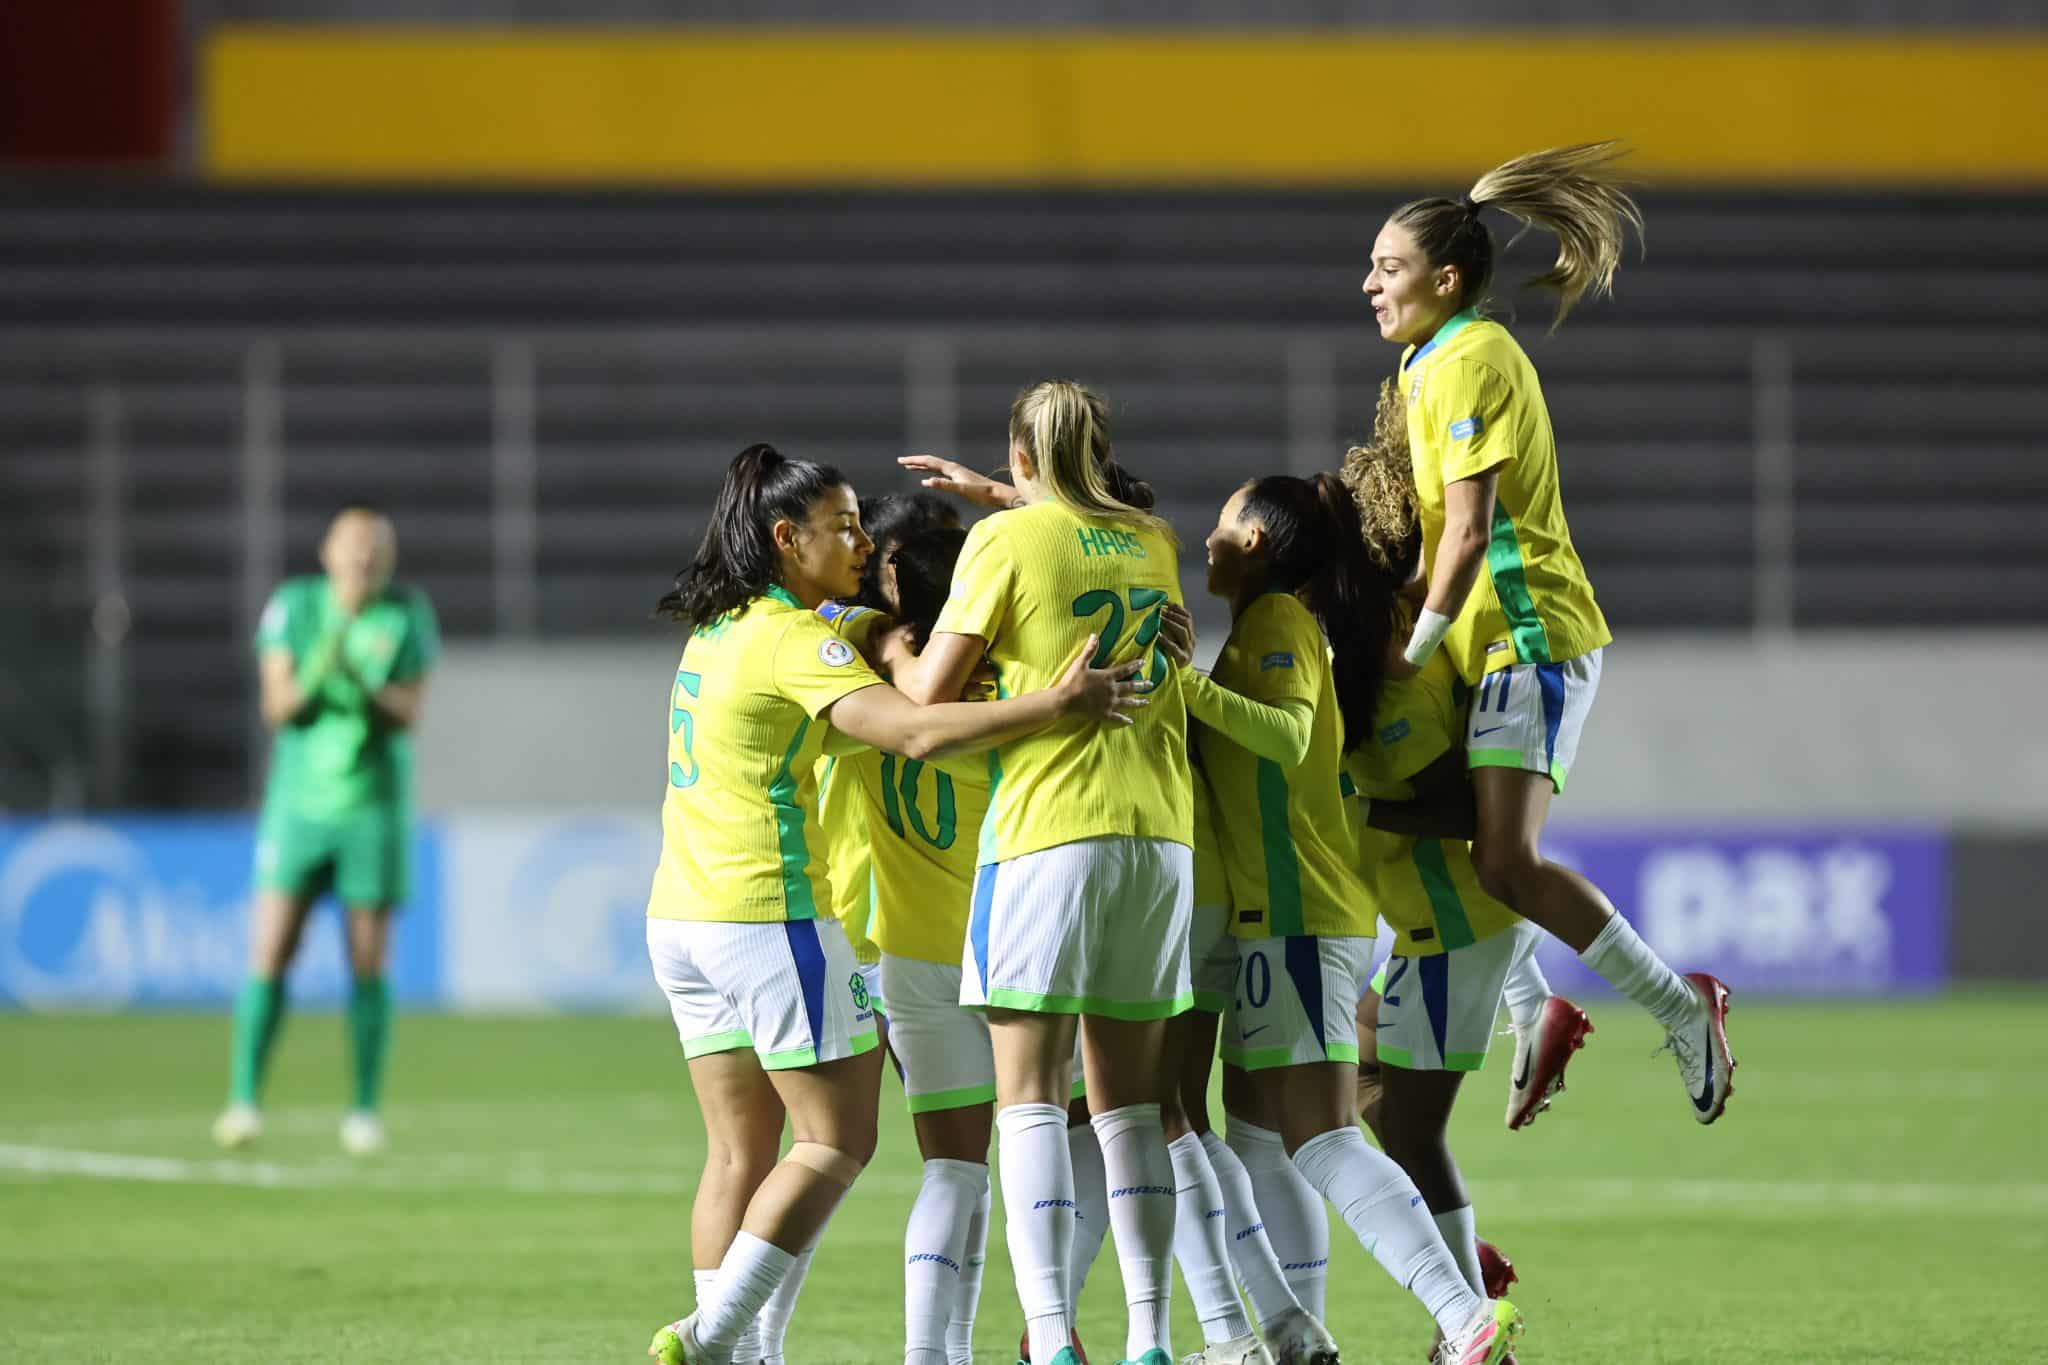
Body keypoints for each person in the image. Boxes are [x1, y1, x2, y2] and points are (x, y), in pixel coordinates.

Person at [644, 443, 1147, 1365]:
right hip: (773, 913)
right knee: (836, 1141)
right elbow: (916, 726)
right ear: (785, 537)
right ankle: (717, 1340)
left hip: (682, 912)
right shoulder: (803, 641)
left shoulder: (717, 630)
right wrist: (1056, 701)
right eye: (842, 526)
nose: (860, 539)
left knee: (737, 1156)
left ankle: (742, 1351)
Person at [1363, 141, 1734, 1123]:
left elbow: (1473, 528)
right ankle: (1534, 1011)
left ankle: (1678, 1007)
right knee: (1418, 823)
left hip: (1528, 636)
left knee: (1502, 860)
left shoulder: (1474, 357)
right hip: (1472, 646)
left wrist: (1409, 643)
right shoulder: (1423, 361)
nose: (1368, 284)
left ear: (1445, 280)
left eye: (1387, 268)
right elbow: (1437, 531)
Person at [1186, 473, 1524, 1365]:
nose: (1208, 538)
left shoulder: (1279, 626)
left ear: (1257, 540)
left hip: (1296, 911)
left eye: (1224, 522)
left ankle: (1464, 1315)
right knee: (1259, 1133)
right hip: (1283, 913)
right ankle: (1302, 1338)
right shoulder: (1271, 626)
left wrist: (1185, 690)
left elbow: (1288, 733)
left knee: (1326, 1134)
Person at [890, 381, 1193, 1365]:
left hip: (1046, 832)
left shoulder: (1003, 544)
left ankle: (1055, 1339)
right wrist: (1008, 493)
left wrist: (887, 645)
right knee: (1127, 1105)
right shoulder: (1152, 539)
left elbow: (930, 704)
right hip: (1157, 832)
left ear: (1019, 457)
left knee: (1025, 1097)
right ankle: (1150, 1336)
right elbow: (1101, 559)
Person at [1343, 383, 1592, 1132]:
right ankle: (1536, 1003)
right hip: (1438, 915)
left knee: (1391, 1123)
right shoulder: (1434, 641)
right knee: (1371, 1098)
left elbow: (1461, 808)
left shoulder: (1396, 670)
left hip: (1447, 919)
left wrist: (1359, 804)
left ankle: (1450, 1252)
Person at [214, 506, 438, 1157]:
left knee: (367, 958)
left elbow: (409, 713)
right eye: (353, 546)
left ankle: (364, 1108)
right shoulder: (294, 606)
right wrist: (320, 665)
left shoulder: (407, 613)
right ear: (327, 552)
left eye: (376, 548)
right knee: (271, 949)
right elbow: (277, 706)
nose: (363, 557)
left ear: (388, 558)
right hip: (298, 807)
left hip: (373, 806)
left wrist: (365, 685)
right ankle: (243, 1100)